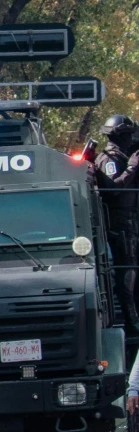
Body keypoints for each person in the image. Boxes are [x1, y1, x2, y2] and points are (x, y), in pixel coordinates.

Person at [93, 115, 139, 333]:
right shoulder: (109, 160)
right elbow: (112, 190)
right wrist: (131, 168)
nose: (132, 139)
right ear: (119, 135)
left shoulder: (123, 155)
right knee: (127, 272)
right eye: (129, 135)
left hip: (130, 220)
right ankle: (132, 321)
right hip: (119, 223)